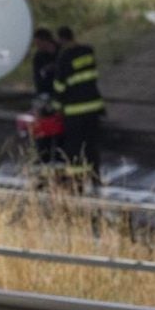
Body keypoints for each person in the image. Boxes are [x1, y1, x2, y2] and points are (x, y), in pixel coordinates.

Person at [54, 26, 107, 189]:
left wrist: (55, 107)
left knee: (74, 147)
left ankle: (77, 182)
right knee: (92, 145)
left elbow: (59, 86)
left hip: (74, 111)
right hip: (93, 107)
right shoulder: (88, 51)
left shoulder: (64, 57)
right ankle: (95, 177)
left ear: (61, 39)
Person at [29, 28, 62, 166]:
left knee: (61, 129)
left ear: (46, 40)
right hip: (46, 96)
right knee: (44, 129)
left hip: (62, 96)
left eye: (39, 43)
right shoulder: (39, 57)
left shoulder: (62, 52)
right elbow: (38, 81)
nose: (38, 47)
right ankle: (44, 156)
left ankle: (60, 156)